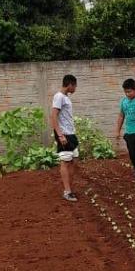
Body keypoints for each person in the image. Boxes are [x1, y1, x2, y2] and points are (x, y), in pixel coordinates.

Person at [51, 74, 79, 202]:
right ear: (70, 85)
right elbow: (53, 116)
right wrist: (60, 135)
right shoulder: (59, 97)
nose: (75, 89)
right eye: (75, 86)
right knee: (65, 161)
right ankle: (67, 192)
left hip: (71, 134)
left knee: (74, 160)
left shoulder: (66, 97)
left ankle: (69, 189)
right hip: (64, 134)